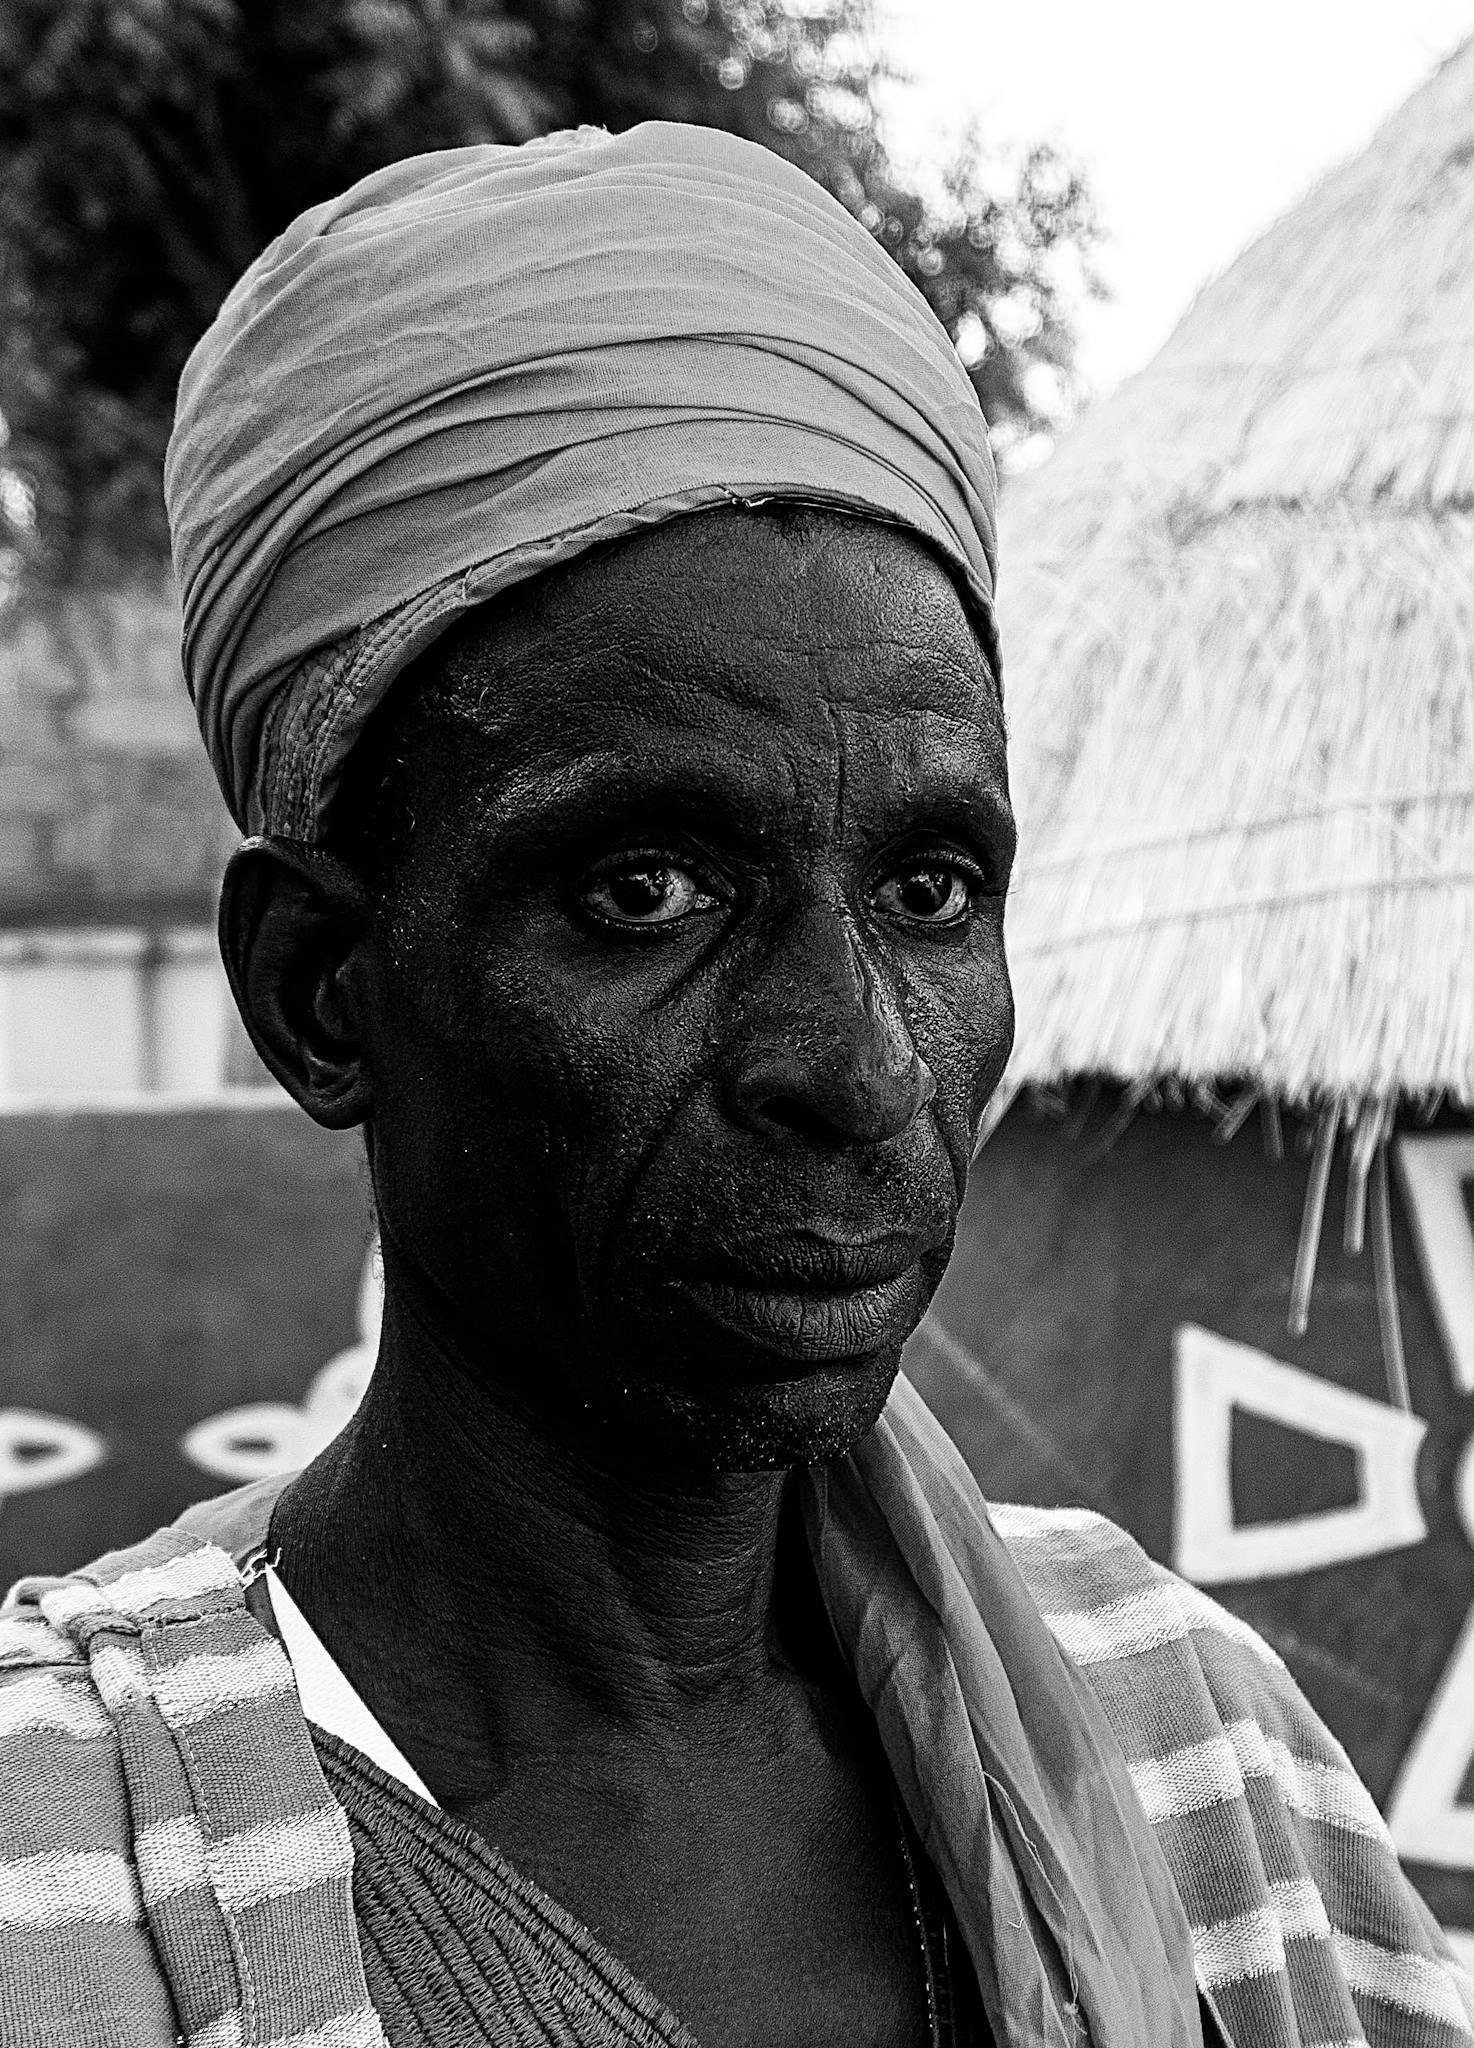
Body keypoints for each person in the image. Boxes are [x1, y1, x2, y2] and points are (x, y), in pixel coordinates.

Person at [0, 123, 1467, 2048]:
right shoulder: (65, 1868)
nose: (858, 1070)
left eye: (931, 889)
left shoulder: (1192, 1751)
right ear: (320, 990)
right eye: (646, 893)